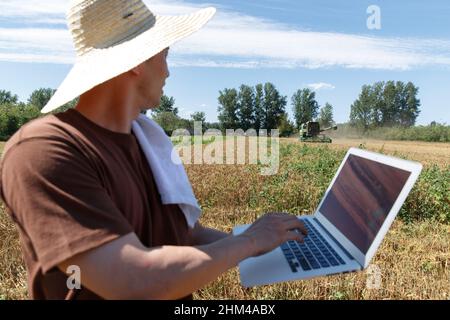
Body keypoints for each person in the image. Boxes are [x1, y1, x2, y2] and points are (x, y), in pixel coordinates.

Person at [0, 0, 307, 300]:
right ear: (137, 61)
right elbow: (132, 280)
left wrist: (273, 245)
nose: (168, 72)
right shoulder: (44, 151)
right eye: (165, 54)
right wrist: (250, 242)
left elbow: (185, 236)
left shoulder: (147, 141)